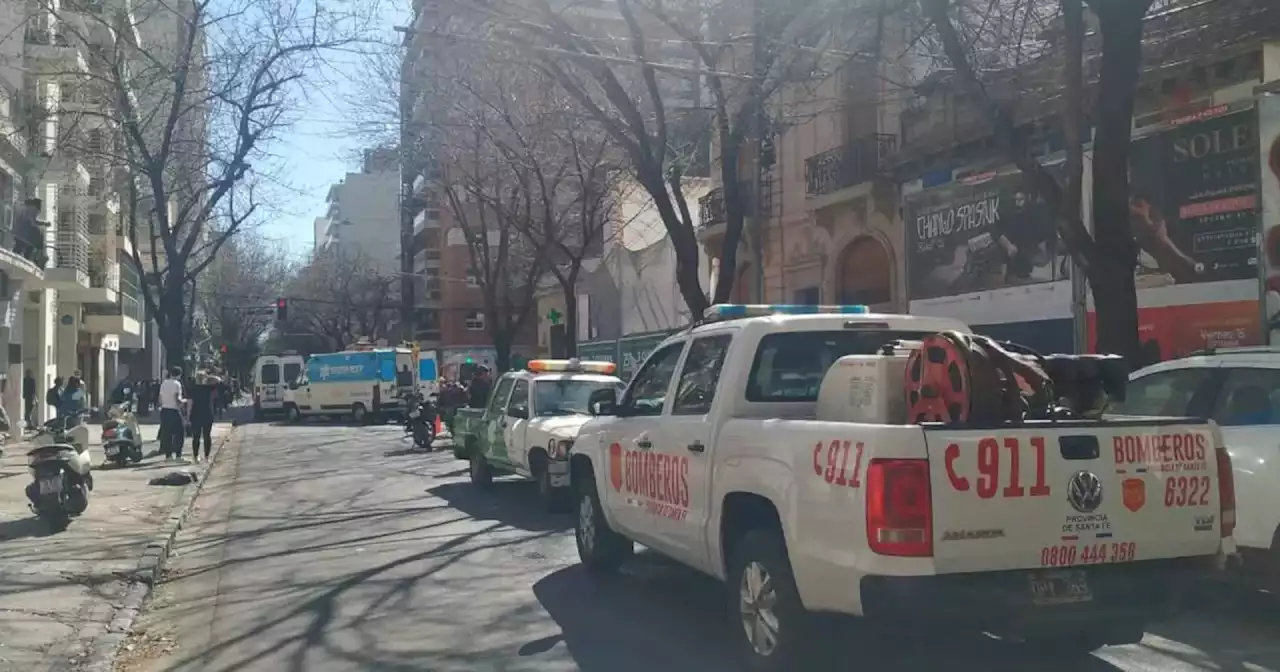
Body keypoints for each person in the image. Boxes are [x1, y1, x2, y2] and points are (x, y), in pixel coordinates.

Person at [188, 371, 217, 463]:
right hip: (207, 414)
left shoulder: (192, 388)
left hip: (195, 414)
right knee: (207, 436)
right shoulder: (209, 388)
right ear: (205, 379)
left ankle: (196, 457)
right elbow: (219, 380)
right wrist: (209, 376)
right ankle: (207, 457)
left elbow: (190, 402)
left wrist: (188, 415)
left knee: (196, 437)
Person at [159, 367, 186, 461]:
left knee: (167, 434)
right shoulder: (176, 384)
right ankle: (178, 455)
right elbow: (177, 398)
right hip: (174, 410)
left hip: (164, 410)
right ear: (179, 375)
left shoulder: (164, 383)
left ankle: (168, 456)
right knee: (180, 433)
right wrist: (183, 402)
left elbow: (160, 399)